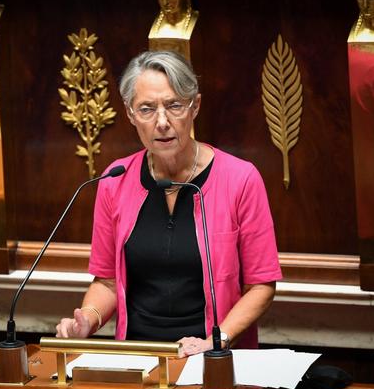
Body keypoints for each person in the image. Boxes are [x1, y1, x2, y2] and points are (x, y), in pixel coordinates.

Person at [55, 50, 281, 356]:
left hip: (213, 357)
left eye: (174, 106)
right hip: (139, 358)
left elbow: (261, 286)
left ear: (195, 106)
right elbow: (106, 282)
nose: (162, 122)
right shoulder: (114, 180)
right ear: (130, 115)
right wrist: (88, 321)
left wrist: (217, 340)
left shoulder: (240, 179)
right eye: (147, 109)